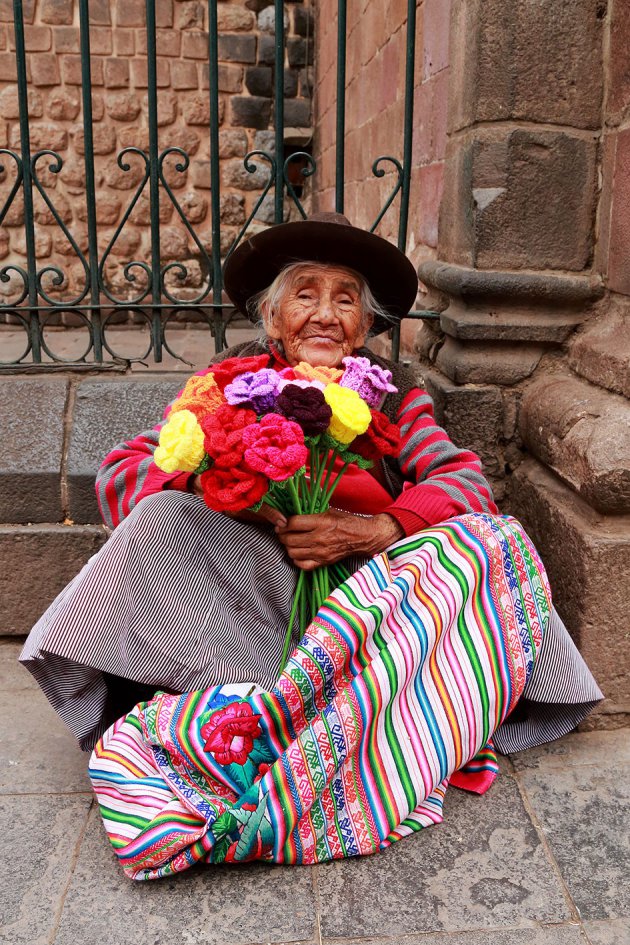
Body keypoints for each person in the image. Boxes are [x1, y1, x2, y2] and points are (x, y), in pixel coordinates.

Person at [20, 214, 602, 874]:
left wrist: (378, 527)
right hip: (250, 611)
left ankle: (350, 714)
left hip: (364, 613)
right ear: (272, 317)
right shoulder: (226, 385)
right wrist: (242, 493)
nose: (325, 314)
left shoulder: (391, 395)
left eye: (345, 298)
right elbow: (123, 471)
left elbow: (462, 478)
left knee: (489, 540)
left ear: (363, 325)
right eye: (305, 294)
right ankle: (298, 712)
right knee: (158, 519)